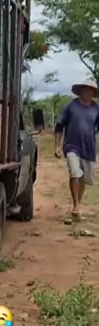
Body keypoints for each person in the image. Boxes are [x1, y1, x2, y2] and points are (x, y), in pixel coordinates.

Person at [54, 80, 99, 221]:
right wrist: (57, 146)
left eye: (90, 90)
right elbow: (59, 126)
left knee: (84, 178)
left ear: (93, 93)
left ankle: (77, 205)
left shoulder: (96, 108)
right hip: (71, 146)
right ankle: (76, 204)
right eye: (85, 89)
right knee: (75, 173)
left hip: (89, 147)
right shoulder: (71, 106)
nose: (87, 92)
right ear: (80, 91)